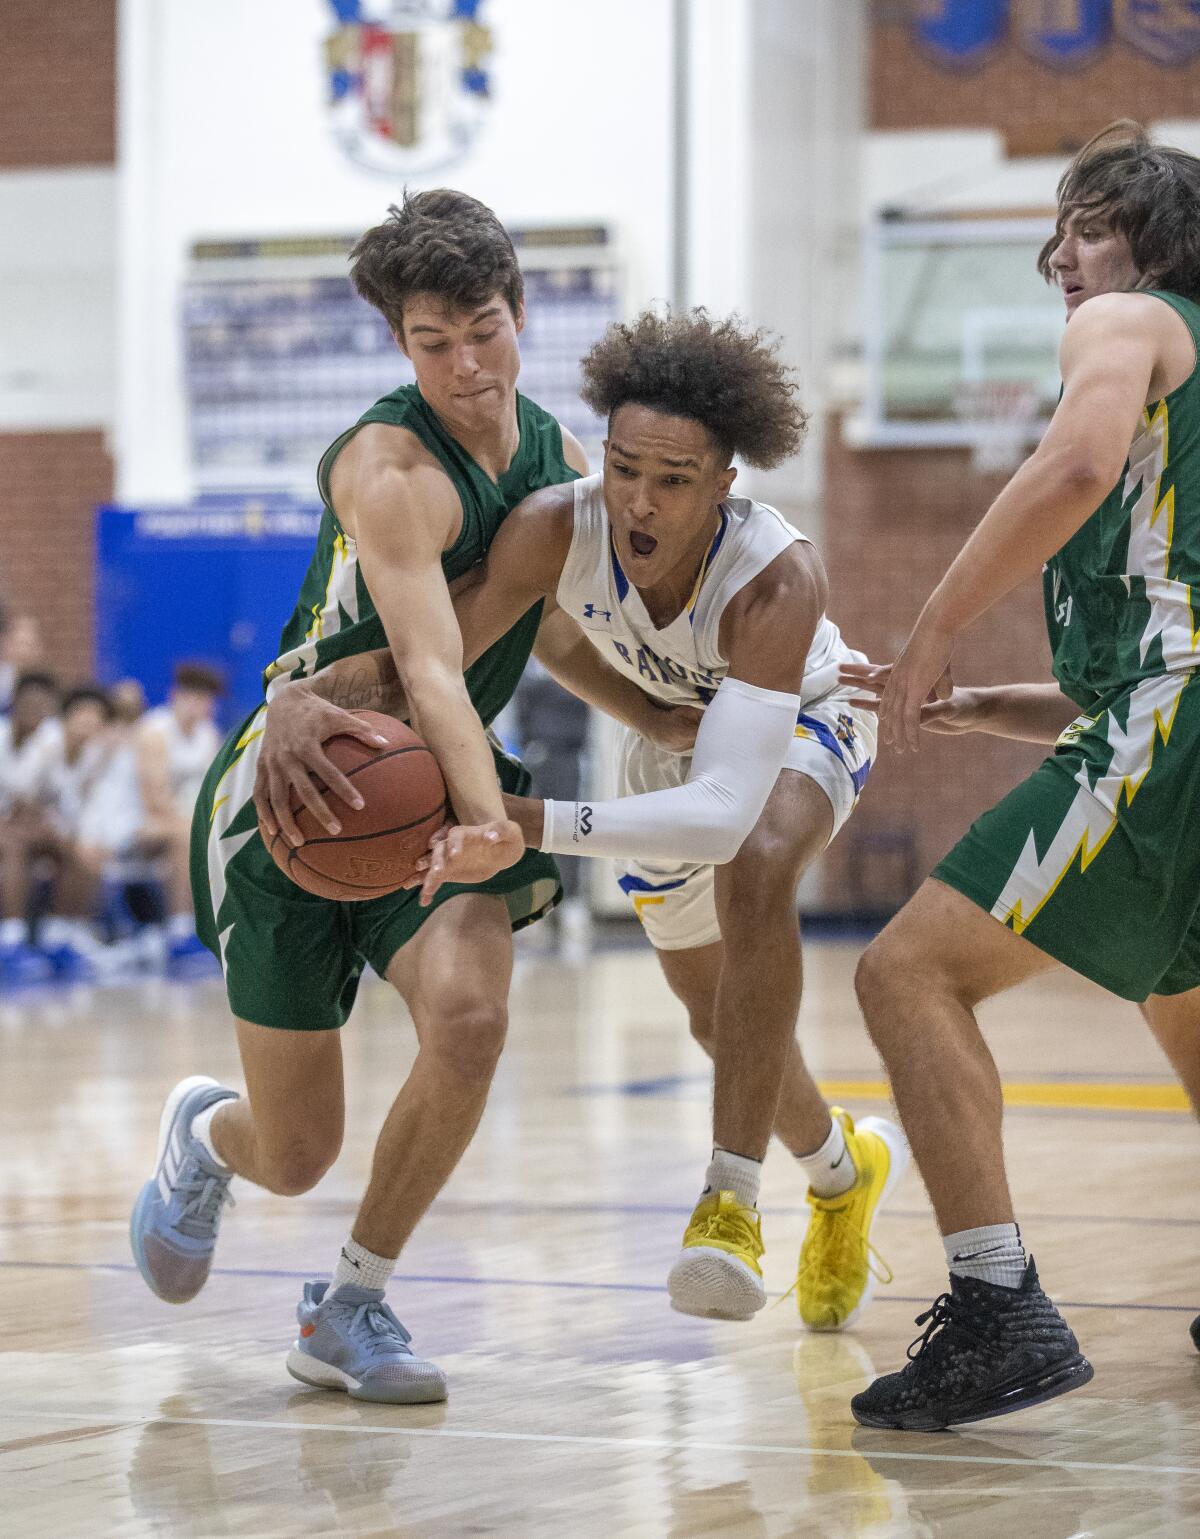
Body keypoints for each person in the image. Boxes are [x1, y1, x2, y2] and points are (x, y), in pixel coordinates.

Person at [277, 309, 908, 1329]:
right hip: (669, 748)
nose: (638, 500)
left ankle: (729, 1205)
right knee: (716, 1019)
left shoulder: (777, 578)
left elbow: (718, 817)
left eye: (673, 480)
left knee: (758, 863)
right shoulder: (553, 527)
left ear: (723, 486)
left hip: (806, 725)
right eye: (623, 468)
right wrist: (297, 695)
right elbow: (424, 659)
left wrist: (521, 822)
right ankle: (842, 1173)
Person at [127, 189, 623, 1405]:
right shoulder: (391, 468)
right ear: (399, 345)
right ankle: (205, 1136)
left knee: (471, 1021)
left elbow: (535, 629)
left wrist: (662, 713)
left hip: (421, 787)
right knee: (295, 1154)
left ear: (523, 310)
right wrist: (493, 818)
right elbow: (433, 668)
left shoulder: (559, 459)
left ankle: (350, 1303)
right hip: (299, 797)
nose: (467, 366)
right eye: (431, 343)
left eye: (485, 330)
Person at [840, 121, 1200, 1430]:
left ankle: (997, 1309)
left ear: (1151, 242)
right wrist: (993, 702)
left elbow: (1077, 464)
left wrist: (932, 628)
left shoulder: (1129, 323)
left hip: (1174, 721)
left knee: (904, 971)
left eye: (1085, 224)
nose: (1060, 252)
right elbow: (1176, 629)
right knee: (1183, 996)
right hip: (1180, 715)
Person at [133, 662, 224, 959]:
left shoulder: (208, 733)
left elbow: (216, 790)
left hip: (183, 821)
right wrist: (197, 825)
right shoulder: (154, 730)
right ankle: (180, 927)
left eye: (206, 698)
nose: (200, 705)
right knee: (188, 838)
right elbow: (154, 799)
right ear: (176, 695)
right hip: (137, 821)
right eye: (194, 697)